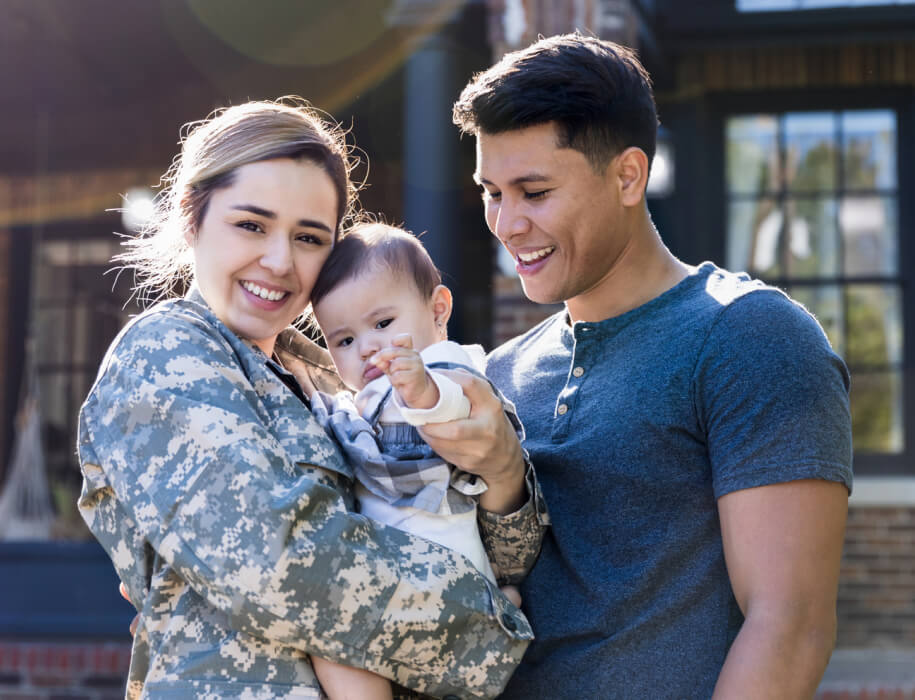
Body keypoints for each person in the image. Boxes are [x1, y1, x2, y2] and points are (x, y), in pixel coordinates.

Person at [77, 97, 547, 700]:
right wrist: (488, 625)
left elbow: (508, 557)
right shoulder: (166, 354)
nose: (279, 261)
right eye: (251, 225)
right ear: (193, 219)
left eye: (309, 237)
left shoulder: (336, 378)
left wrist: (503, 468)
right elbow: (280, 567)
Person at [449, 33, 853, 698]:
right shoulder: (501, 373)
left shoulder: (748, 335)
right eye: (491, 191)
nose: (506, 222)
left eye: (534, 191)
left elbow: (790, 624)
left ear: (627, 175)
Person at [305, 222, 527, 699]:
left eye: (383, 324)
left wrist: (420, 389)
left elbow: (457, 406)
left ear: (438, 309)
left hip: (441, 569)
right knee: (333, 642)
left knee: (333, 632)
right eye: (343, 340)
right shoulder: (355, 402)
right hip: (395, 583)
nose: (367, 347)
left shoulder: (444, 364)